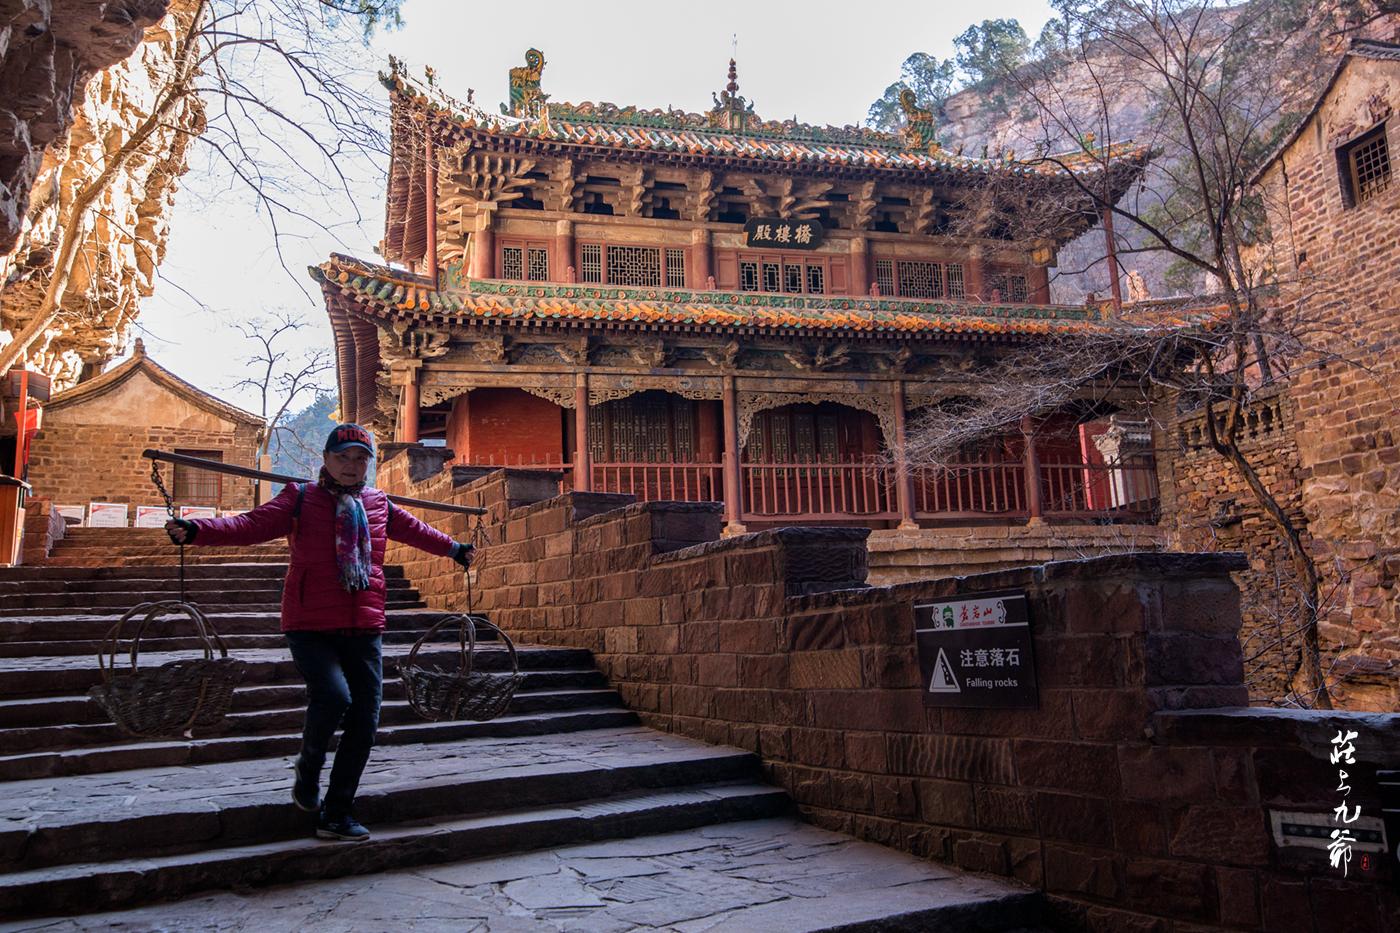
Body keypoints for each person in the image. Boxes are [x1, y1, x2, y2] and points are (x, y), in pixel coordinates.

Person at [165, 423, 473, 842]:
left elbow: (417, 531)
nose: (351, 465)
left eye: (360, 458)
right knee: (333, 696)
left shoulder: (378, 503)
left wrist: (455, 550)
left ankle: (337, 812)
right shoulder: (300, 498)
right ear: (326, 460)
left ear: (370, 464)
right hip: (309, 623)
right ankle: (308, 767)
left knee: (365, 720)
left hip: (364, 624)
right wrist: (199, 531)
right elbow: (251, 525)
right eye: (342, 457)